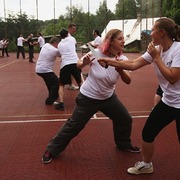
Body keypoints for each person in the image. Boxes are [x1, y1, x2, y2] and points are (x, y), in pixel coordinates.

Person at [42, 28, 141, 164]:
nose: (123, 41)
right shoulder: (97, 52)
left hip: (108, 98)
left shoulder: (122, 59)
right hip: (88, 97)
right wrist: (85, 63)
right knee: (74, 126)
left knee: (125, 119)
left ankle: (123, 144)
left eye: (123, 38)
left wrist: (120, 69)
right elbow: (78, 64)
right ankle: (51, 150)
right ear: (111, 41)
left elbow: (128, 80)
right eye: (120, 38)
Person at [98, 17, 180, 175]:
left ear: (162, 32)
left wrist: (156, 57)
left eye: (154, 30)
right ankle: (147, 164)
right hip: (168, 102)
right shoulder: (157, 49)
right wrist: (110, 62)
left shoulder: (177, 50)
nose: (151, 34)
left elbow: (172, 77)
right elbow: (133, 65)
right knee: (148, 133)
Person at [55, 28, 82, 111]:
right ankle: (84, 100)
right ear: (67, 34)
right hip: (74, 62)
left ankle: (61, 104)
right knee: (80, 82)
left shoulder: (59, 44)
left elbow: (60, 54)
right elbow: (75, 45)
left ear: (60, 36)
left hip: (65, 64)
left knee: (61, 85)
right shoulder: (72, 39)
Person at [35, 36, 60, 105]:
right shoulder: (55, 50)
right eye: (58, 44)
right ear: (55, 43)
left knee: (50, 83)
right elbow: (62, 54)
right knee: (57, 83)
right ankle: (50, 100)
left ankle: (53, 96)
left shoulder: (45, 45)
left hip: (39, 69)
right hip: (45, 70)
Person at [67, 23, 80, 90]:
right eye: (73, 29)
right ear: (69, 28)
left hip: (68, 58)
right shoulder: (71, 38)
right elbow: (75, 45)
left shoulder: (66, 36)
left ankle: (70, 84)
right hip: (70, 58)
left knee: (69, 72)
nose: (74, 30)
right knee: (74, 71)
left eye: (75, 29)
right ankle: (71, 84)